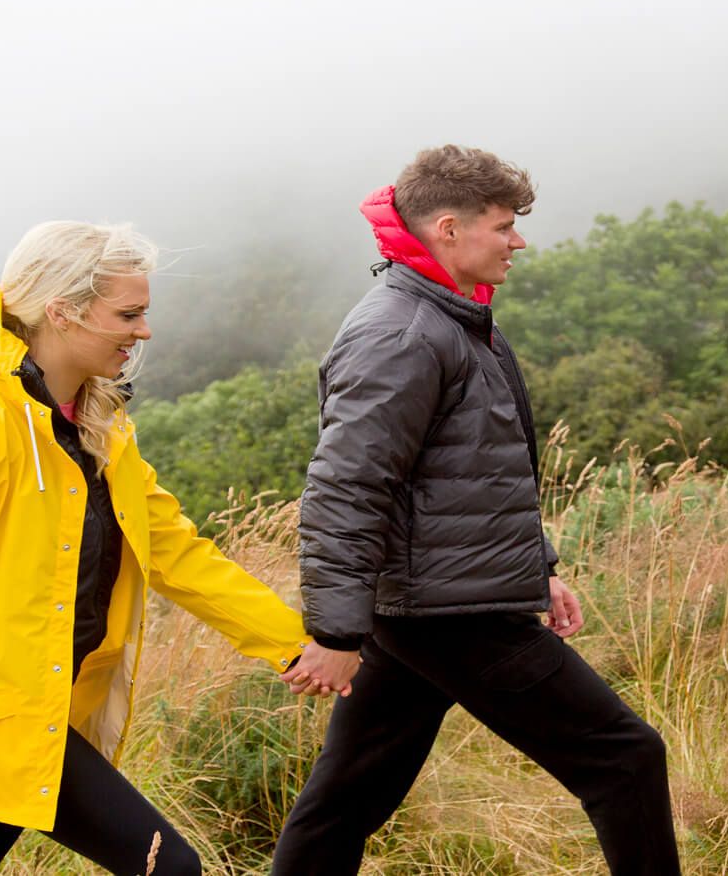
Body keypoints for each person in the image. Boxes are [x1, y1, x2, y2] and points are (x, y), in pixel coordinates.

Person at [273, 146, 681, 875]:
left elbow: (476, 475)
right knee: (625, 758)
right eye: (503, 225)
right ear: (450, 228)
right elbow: (345, 486)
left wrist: (538, 570)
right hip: (448, 615)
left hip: (427, 604)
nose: (517, 241)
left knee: (345, 800)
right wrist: (334, 629)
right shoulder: (402, 334)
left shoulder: (451, 318)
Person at [0, 221, 312, 876]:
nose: (144, 332)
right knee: (170, 867)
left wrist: (289, 641)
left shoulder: (100, 426)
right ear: (63, 311)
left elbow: (175, 552)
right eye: (128, 314)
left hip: (46, 709)